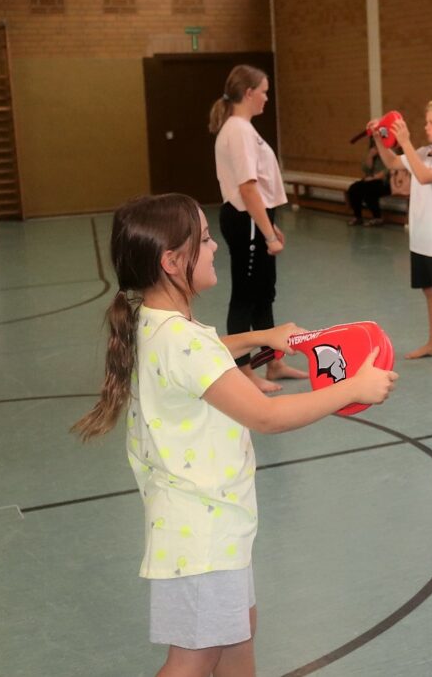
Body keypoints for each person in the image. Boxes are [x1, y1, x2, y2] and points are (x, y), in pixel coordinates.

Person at [71, 194, 397, 677]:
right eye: (204, 240)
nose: (216, 248)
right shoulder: (183, 340)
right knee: (193, 661)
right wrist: (354, 387)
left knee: (238, 637)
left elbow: (202, 353)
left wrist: (259, 337)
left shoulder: (155, 324)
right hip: (202, 533)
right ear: (172, 261)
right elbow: (267, 417)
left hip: (207, 524)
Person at [209, 64, 306, 393]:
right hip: (246, 220)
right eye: (263, 91)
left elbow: (260, 189)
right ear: (248, 93)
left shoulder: (245, 129)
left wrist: (271, 226)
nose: (267, 97)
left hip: (257, 219)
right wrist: (266, 233)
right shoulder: (237, 129)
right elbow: (248, 188)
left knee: (264, 295)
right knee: (245, 298)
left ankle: (273, 363)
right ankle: (244, 372)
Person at [368, 99, 432, 371]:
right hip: (420, 239)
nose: (426, 127)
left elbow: (423, 176)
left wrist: (406, 141)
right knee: (430, 291)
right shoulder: (423, 151)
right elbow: (391, 162)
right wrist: (380, 138)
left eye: (431, 122)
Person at [346, 142, 390, 227]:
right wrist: (370, 156)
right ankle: (358, 216)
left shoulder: (388, 154)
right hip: (372, 180)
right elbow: (366, 170)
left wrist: (374, 177)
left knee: (369, 191)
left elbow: (387, 171)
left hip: (386, 183)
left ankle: (377, 217)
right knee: (353, 188)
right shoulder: (373, 156)